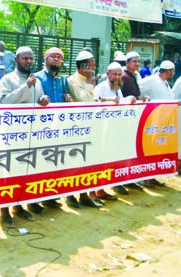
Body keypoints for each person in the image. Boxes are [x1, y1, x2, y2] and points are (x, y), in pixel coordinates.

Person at [0, 46, 47, 226]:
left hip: (31, 133)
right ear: (17, 59)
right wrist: (25, 87)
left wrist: (44, 100)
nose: (28, 62)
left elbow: (39, 99)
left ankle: (18, 206)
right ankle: (4, 210)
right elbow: (5, 101)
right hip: (13, 135)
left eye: (31, 59)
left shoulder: (37, 81)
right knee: (9, 172)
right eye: (25, 58)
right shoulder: (7, 79)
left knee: (27, 170)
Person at [28, 47, 72, 213]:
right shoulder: (37, 77)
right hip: (40, 128)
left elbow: (66, 99)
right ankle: (33, 201)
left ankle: (49, 196)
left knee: (53, 163)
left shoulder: (62, 81)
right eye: (53, 56)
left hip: (57, 128)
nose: (56, 59)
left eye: (59, 57)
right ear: (46, 59)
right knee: (38, 163)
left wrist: (68, 100)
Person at [66, 50, 105, 208]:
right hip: (76, 127)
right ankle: (70, 195)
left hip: (90, 126)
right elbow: (83, 99)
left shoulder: (89, 80)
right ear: (82, 66)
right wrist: (90, 82)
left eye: (94, 65)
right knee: (74, 162)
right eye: (91, 65)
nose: (94, 68)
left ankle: (84, 193)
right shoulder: (72, 80)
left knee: (88, 162)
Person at [138, 60, 176, 187]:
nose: (173, 73)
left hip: (163, 123)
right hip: (152, 120)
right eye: (172, 71)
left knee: (158, 150)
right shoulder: (152, 80)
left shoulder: (165, 82)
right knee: (149, 149)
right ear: (168, 71)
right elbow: (138, 89)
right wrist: (144, 101)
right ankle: (145, 178)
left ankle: (152, 176)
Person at [116, 51, 146, 194]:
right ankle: (118, 182)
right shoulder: (122, 76)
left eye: (139, 61)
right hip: (123, 119)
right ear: (127, 63)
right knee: (121, 151)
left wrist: (142, 99)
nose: (137, 64)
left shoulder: (133, 76)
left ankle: (129, 179)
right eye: (134, 61)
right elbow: (119, 97)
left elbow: (135, 95)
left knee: (130, 150)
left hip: (133, 119)